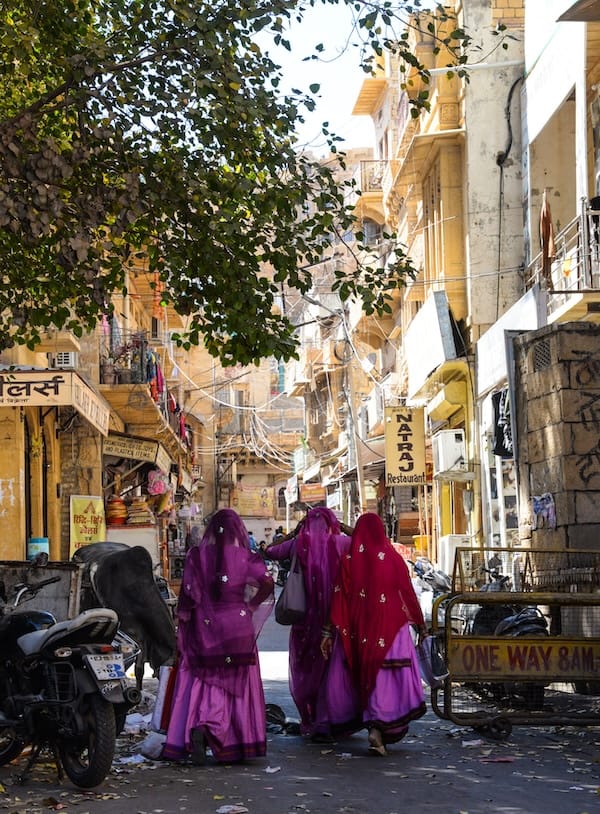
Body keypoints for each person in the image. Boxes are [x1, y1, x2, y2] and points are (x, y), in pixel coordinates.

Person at [162, 509, 274, 764]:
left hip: (206, 626)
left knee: (205, 679)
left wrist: (185, 623)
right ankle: (230, 737)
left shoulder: (196, 556)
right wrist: (251, 605)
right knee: (236, 682)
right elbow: (267, 583)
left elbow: (188, 597)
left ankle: (203, 725)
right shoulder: (247, 557)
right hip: (238, 624)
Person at [323, 512, 427, 756]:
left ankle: (373, 724)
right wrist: (421, 626)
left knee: (368, 675)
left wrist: (328, 631)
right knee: (389, 678)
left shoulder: (349, 559)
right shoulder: (392, 557)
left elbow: (339, 597)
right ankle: (379, 728)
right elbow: (407, 593)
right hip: (392, 627)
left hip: (361, 628)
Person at [266, 506, 353, 742]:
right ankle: (332, 718)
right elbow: (370, 541)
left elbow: (270, 551)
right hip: (335, 618)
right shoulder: (342, 543)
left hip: (305, 619)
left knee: (308, 666)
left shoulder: (298, 544)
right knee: (332, 667)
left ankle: (314, 718)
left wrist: (294, 533)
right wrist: (344, 528)